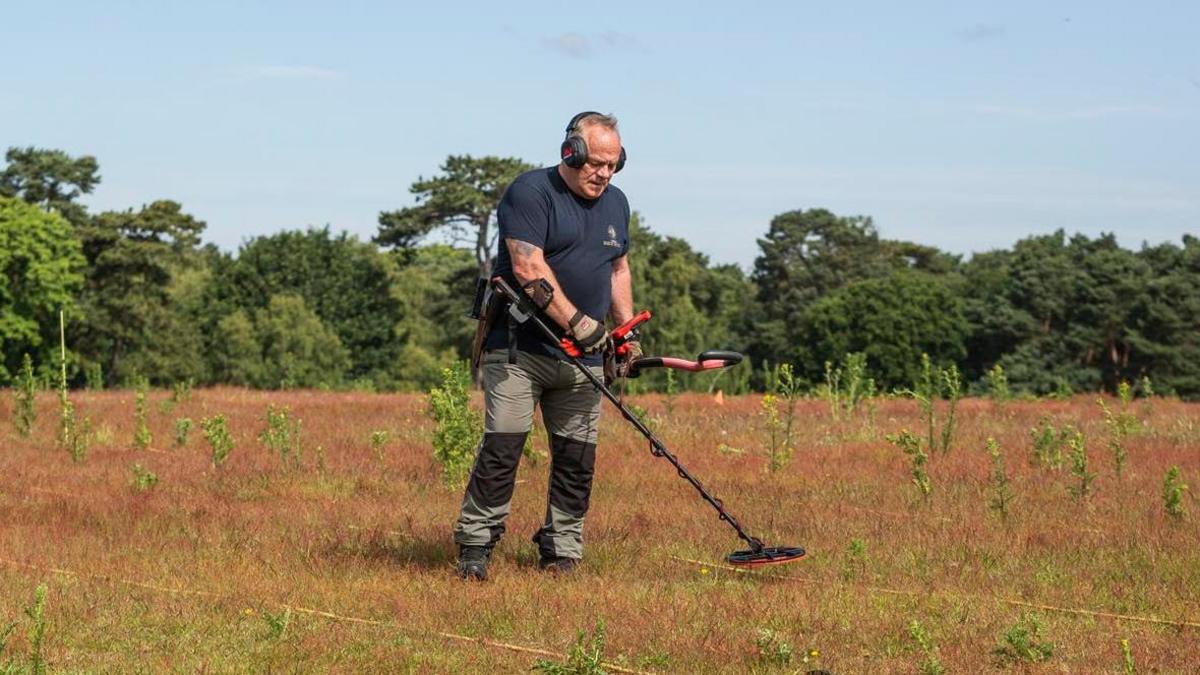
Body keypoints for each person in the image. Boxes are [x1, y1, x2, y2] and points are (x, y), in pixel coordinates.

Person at [453, 111, 640, 580]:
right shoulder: (531, 193)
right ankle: (476, 546)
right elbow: (527, 267)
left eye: (612, 165)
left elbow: (618, 269)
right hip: (520, 350)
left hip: (585, 358)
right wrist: (580, 325)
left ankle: (562, 550)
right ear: (570, 153)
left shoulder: (617, 204)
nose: (603, 174)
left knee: (578, 456)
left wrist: (624, 334)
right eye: (595, 162)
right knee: (504, 447)